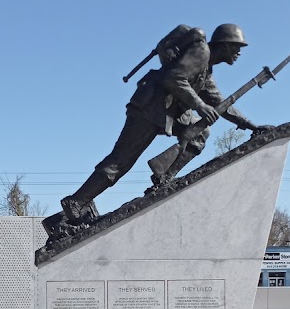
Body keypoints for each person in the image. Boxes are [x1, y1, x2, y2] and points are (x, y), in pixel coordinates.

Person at [61, 23, 273, 223]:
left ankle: (163, 178)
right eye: (237, 47)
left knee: (199, 134)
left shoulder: (206, 70)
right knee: (121, 161)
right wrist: (199, 105)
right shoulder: (201, 53)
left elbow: (221, 103)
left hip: (164, 112)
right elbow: (174, 77)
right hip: (149, 108)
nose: (239, 52)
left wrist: (251, 126)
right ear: (225, 45)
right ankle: (76, 203)